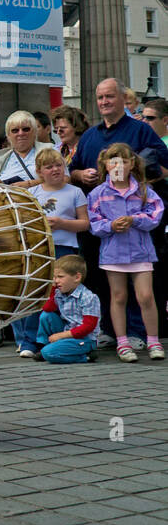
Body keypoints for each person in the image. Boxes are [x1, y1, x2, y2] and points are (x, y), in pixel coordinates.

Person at [69, 79, 168, 349]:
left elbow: (161, 164)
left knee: (139, 285)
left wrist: (135, 178)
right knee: (102, 279)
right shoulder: (89, 135)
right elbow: (72, 169)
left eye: (109, 97)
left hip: (135, 225)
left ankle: (138, 332)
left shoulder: (140, 130)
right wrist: (81, 174)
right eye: (100, 98)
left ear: (123, 99)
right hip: (101, 224)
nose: (104, 102)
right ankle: (110, 331)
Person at [87, 142, 164, 362]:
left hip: (140, 251)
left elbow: (155, 214)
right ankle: (122, 342)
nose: (118, 165)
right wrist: (110, 226)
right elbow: (93, 222)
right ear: (106, 165)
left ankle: (153, 340)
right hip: (113, 253)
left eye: (123, 161)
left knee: (146, 296)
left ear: (132, 164)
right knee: (118, 296)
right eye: (113, 161)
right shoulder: (97, 193)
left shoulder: (143, 190)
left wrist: (135, 220)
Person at [12, 148, 88, 358]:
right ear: (39, 171)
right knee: (35, 293)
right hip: (40, 250)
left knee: (62, 294)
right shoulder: (33, 194)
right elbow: (24, 224)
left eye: (58, 165)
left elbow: (84, 223)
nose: (55, 170)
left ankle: (62, 336)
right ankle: (30, 340)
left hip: (65, 249)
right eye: (49, 167)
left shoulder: (74, 192)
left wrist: (62, 223)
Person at [34, 255, 101, 365]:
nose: (56, 281)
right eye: (54, 277)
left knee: (48, 354)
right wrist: (52, 288)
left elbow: (88, 327)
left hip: (84, 339)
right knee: (46, 315)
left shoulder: (88, 297)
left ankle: (86, 357)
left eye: (60, 277)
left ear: (77, 277)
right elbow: (47, 308)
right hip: (68, 332)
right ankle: (45, 346)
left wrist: (61, 335)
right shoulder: (60, 292)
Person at [0, 110, 53, 189]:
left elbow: (64, 179)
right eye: (15, 130)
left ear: (35, 132)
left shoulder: (50, 150)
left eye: (26, 129)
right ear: (8, 136)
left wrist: (30, 184)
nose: (20, 133)